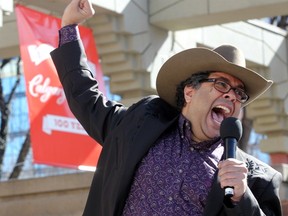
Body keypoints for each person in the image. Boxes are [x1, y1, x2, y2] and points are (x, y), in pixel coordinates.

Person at [51, 0, 283, 215]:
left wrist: (242, 198)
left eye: (240, 93)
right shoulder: (139, 125)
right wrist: (70, 26)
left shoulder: (256, 180)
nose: (232, 96)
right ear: (189, 92)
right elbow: (86, 98)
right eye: (222, 84)